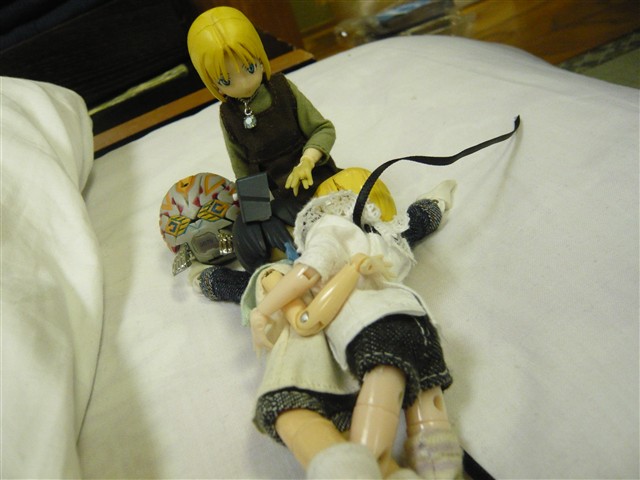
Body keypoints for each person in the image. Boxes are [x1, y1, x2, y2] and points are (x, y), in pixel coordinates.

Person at [246, 169, 462, 478]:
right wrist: (439, 198)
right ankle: (441, 467)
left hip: (371, 323)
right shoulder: (385, 240)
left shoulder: (331, 228)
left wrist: (263, 310)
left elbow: (307, 274)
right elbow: (417, 223)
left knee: (383, 388)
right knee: (427, 403)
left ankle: (373, 462)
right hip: (417, 319)